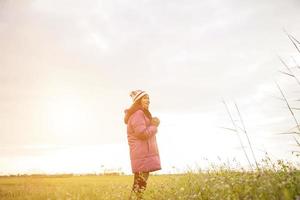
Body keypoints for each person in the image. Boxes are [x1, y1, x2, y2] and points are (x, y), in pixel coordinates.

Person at [124, 90, 161, 199]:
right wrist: (154, 126)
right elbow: (142, 134)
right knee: (139, 185)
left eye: (148, 98)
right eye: (145, 98)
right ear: (138, 101)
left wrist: (152, 122)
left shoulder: (140, 113)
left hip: (142, 153)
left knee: (139, 185)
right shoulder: (138, 113)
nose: (148, 100)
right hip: (142, 153)